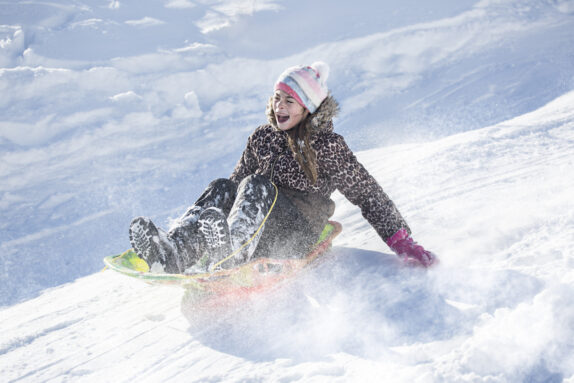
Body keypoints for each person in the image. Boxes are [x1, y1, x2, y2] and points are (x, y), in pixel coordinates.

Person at [129, 62, 437, 274]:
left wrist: (401, 240)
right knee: (223, 185)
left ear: (308, 107)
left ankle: (234, 250)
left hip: (297, 234)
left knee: (257, 185)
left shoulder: (327, 145)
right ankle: (176, 250)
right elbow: (235, 187)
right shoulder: (262, 137)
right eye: (277, 99)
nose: (280, 107)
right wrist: (215, 212)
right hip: (255, 228)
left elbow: (367, 194)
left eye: (290, 101)